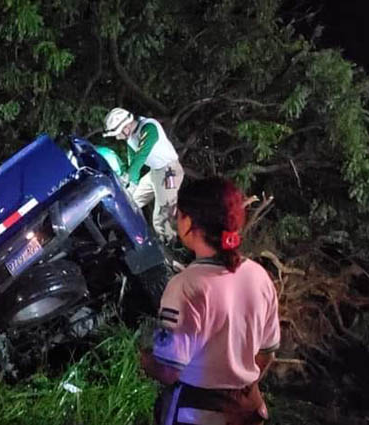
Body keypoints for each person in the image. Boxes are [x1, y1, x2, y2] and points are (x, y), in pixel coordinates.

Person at [138, 177, 280, 425]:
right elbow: (266, 353)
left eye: (179, 214)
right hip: (247, 410)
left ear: (189, 222)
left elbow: (169, 371)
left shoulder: (186, 286)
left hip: (198, 412)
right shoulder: (259, 276)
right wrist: (238, 380)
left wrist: (143, 358)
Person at [103, 107, 184, 245]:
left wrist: (129, 177)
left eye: (118, 133)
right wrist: (131, 183)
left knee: (162, 215)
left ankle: (171, 244)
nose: (117, 137)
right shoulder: (130, 137)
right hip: (155, 172)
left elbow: (141, 156)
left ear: (126, 126)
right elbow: (133, 161)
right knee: (131, 200)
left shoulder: (150, 128)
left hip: (170, 172)